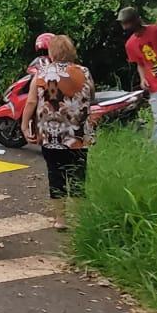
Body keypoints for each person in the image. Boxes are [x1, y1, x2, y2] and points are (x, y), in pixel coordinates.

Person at [22, 33, 95, 210]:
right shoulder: (84, 72)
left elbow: (31, 101)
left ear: (51, 53)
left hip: (51, 135)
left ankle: (60, 219)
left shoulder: (42, 73)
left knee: (56, 176)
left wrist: (24, 126)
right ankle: (78, 218)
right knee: (78, 176)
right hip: (78, 136)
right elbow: (91, 96)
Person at [118, 6, 157, 144]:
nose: (125, 26)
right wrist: (143, 78)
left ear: (136, 20)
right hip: (156, 85)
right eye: (123, 23)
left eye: (128, 22)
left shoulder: (156, 31)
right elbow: (139, 63)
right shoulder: (130, 44)